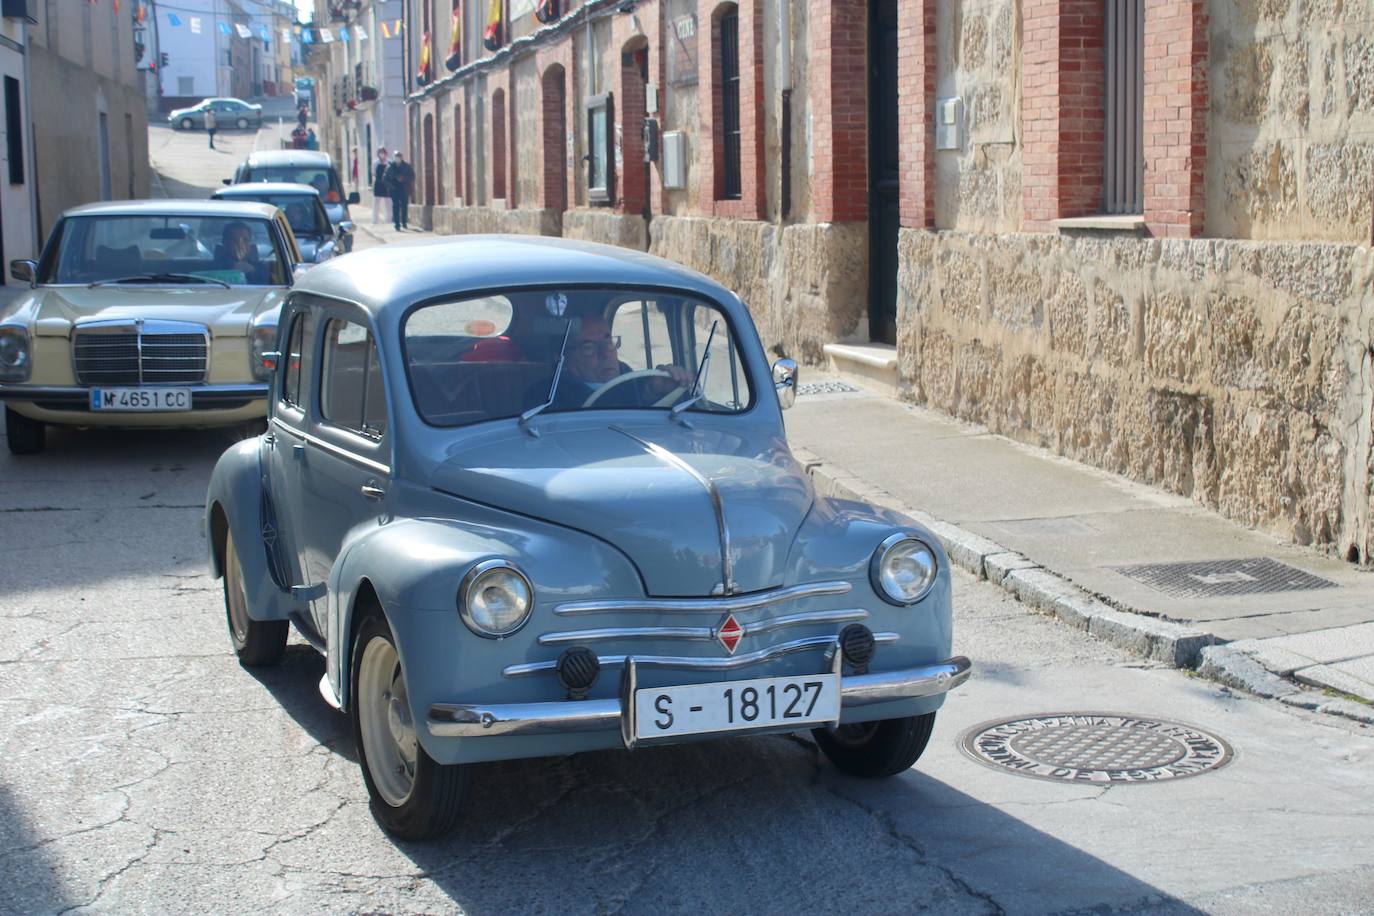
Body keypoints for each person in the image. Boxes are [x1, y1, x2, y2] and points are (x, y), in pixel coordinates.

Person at [547, 315, 693, 410]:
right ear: (562, 359)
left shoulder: (637, 382)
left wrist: (657, 390)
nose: (606, 353)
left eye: (608, 341)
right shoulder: (545, 397)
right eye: (589, 347)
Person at [385, 151, 414, 231]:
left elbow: (412, 176)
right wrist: (391, 186)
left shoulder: (407, 166)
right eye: (396, 156)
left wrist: (403, 178)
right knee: (395, 206)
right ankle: (397, 224)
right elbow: (385, 179)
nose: (398, 158)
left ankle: (404, 222)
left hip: (404, 189)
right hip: (394, 190)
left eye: (399, 156)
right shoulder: (390, 167)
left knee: (404, 206)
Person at [371, 147, 391, 225]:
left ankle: (389, 220)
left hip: (387, 185)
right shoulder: (375, 163)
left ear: (386, 153)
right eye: (380, 152)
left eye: (383, 152)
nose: (382, 154)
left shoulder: (389, 162)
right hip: (378, 184)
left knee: (388, 203)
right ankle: (375, 221)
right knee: (376, 203)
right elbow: (373, 173)